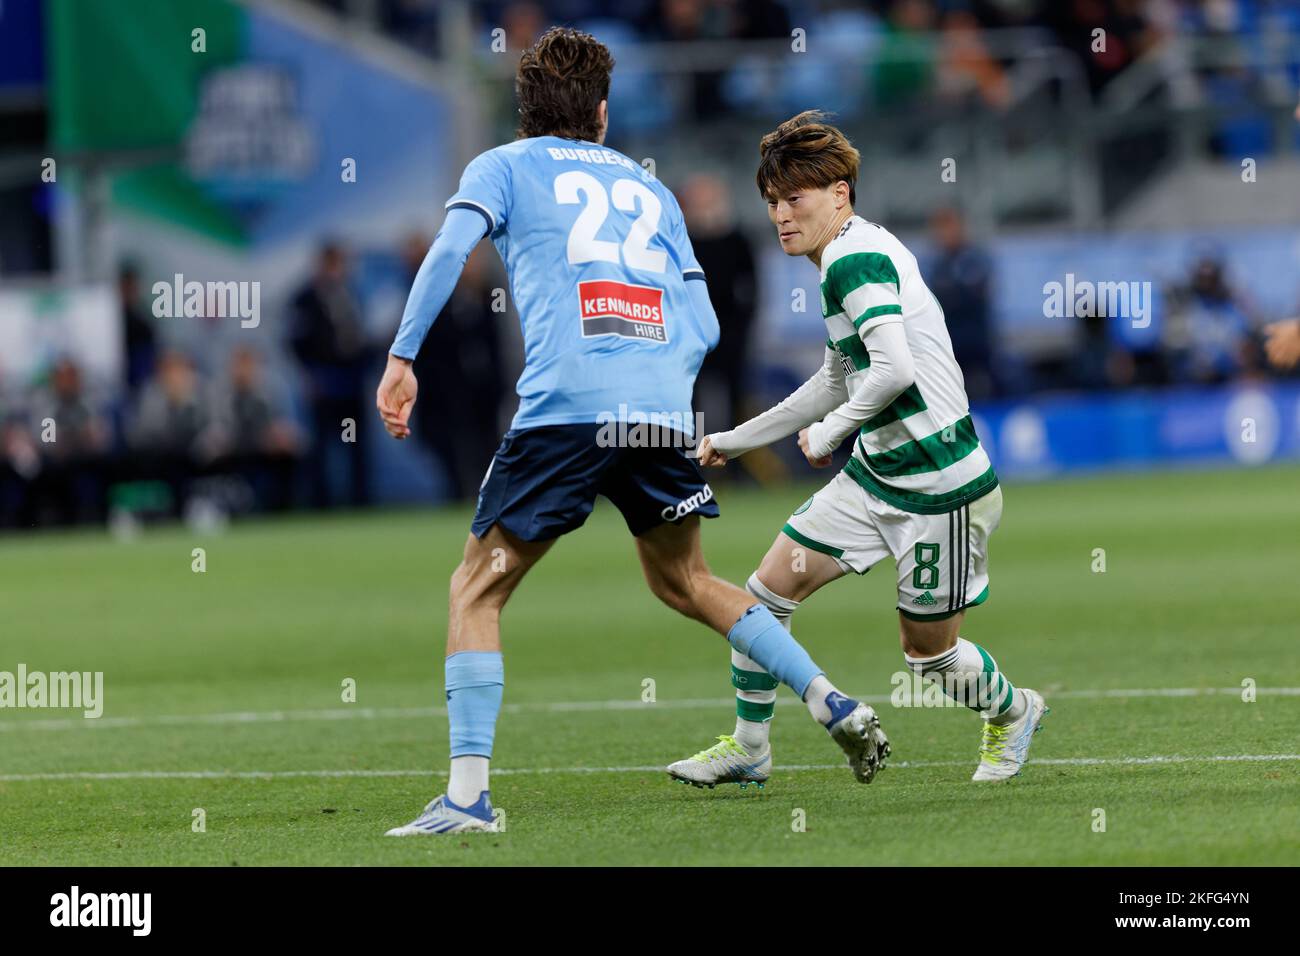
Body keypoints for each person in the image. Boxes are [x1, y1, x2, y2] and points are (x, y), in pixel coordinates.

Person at [375, 28, 887, 836]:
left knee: (476, 588)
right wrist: (654, 385)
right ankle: (831, 698)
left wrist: (403, 357)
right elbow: (708, 325)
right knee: (685, 582)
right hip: (655, 416)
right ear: (604, 115)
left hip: (565, 413)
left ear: (524, 113)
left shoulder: (502, 167)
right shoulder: (655, 192)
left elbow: (448, 252)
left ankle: (469, 799)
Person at [668, 111, 1047, 789]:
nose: (781, 215)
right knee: (763, 595)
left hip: (940, 487)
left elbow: (894, 369)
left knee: (928, 657)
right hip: (876, 478)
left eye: (795, 199)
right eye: (772, 203)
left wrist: (833, 430)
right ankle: (751, 747)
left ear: (840, 192)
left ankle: (1015, 713)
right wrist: (733, 438)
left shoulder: (854, 257)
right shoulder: (842, 258)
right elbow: (834, 379)